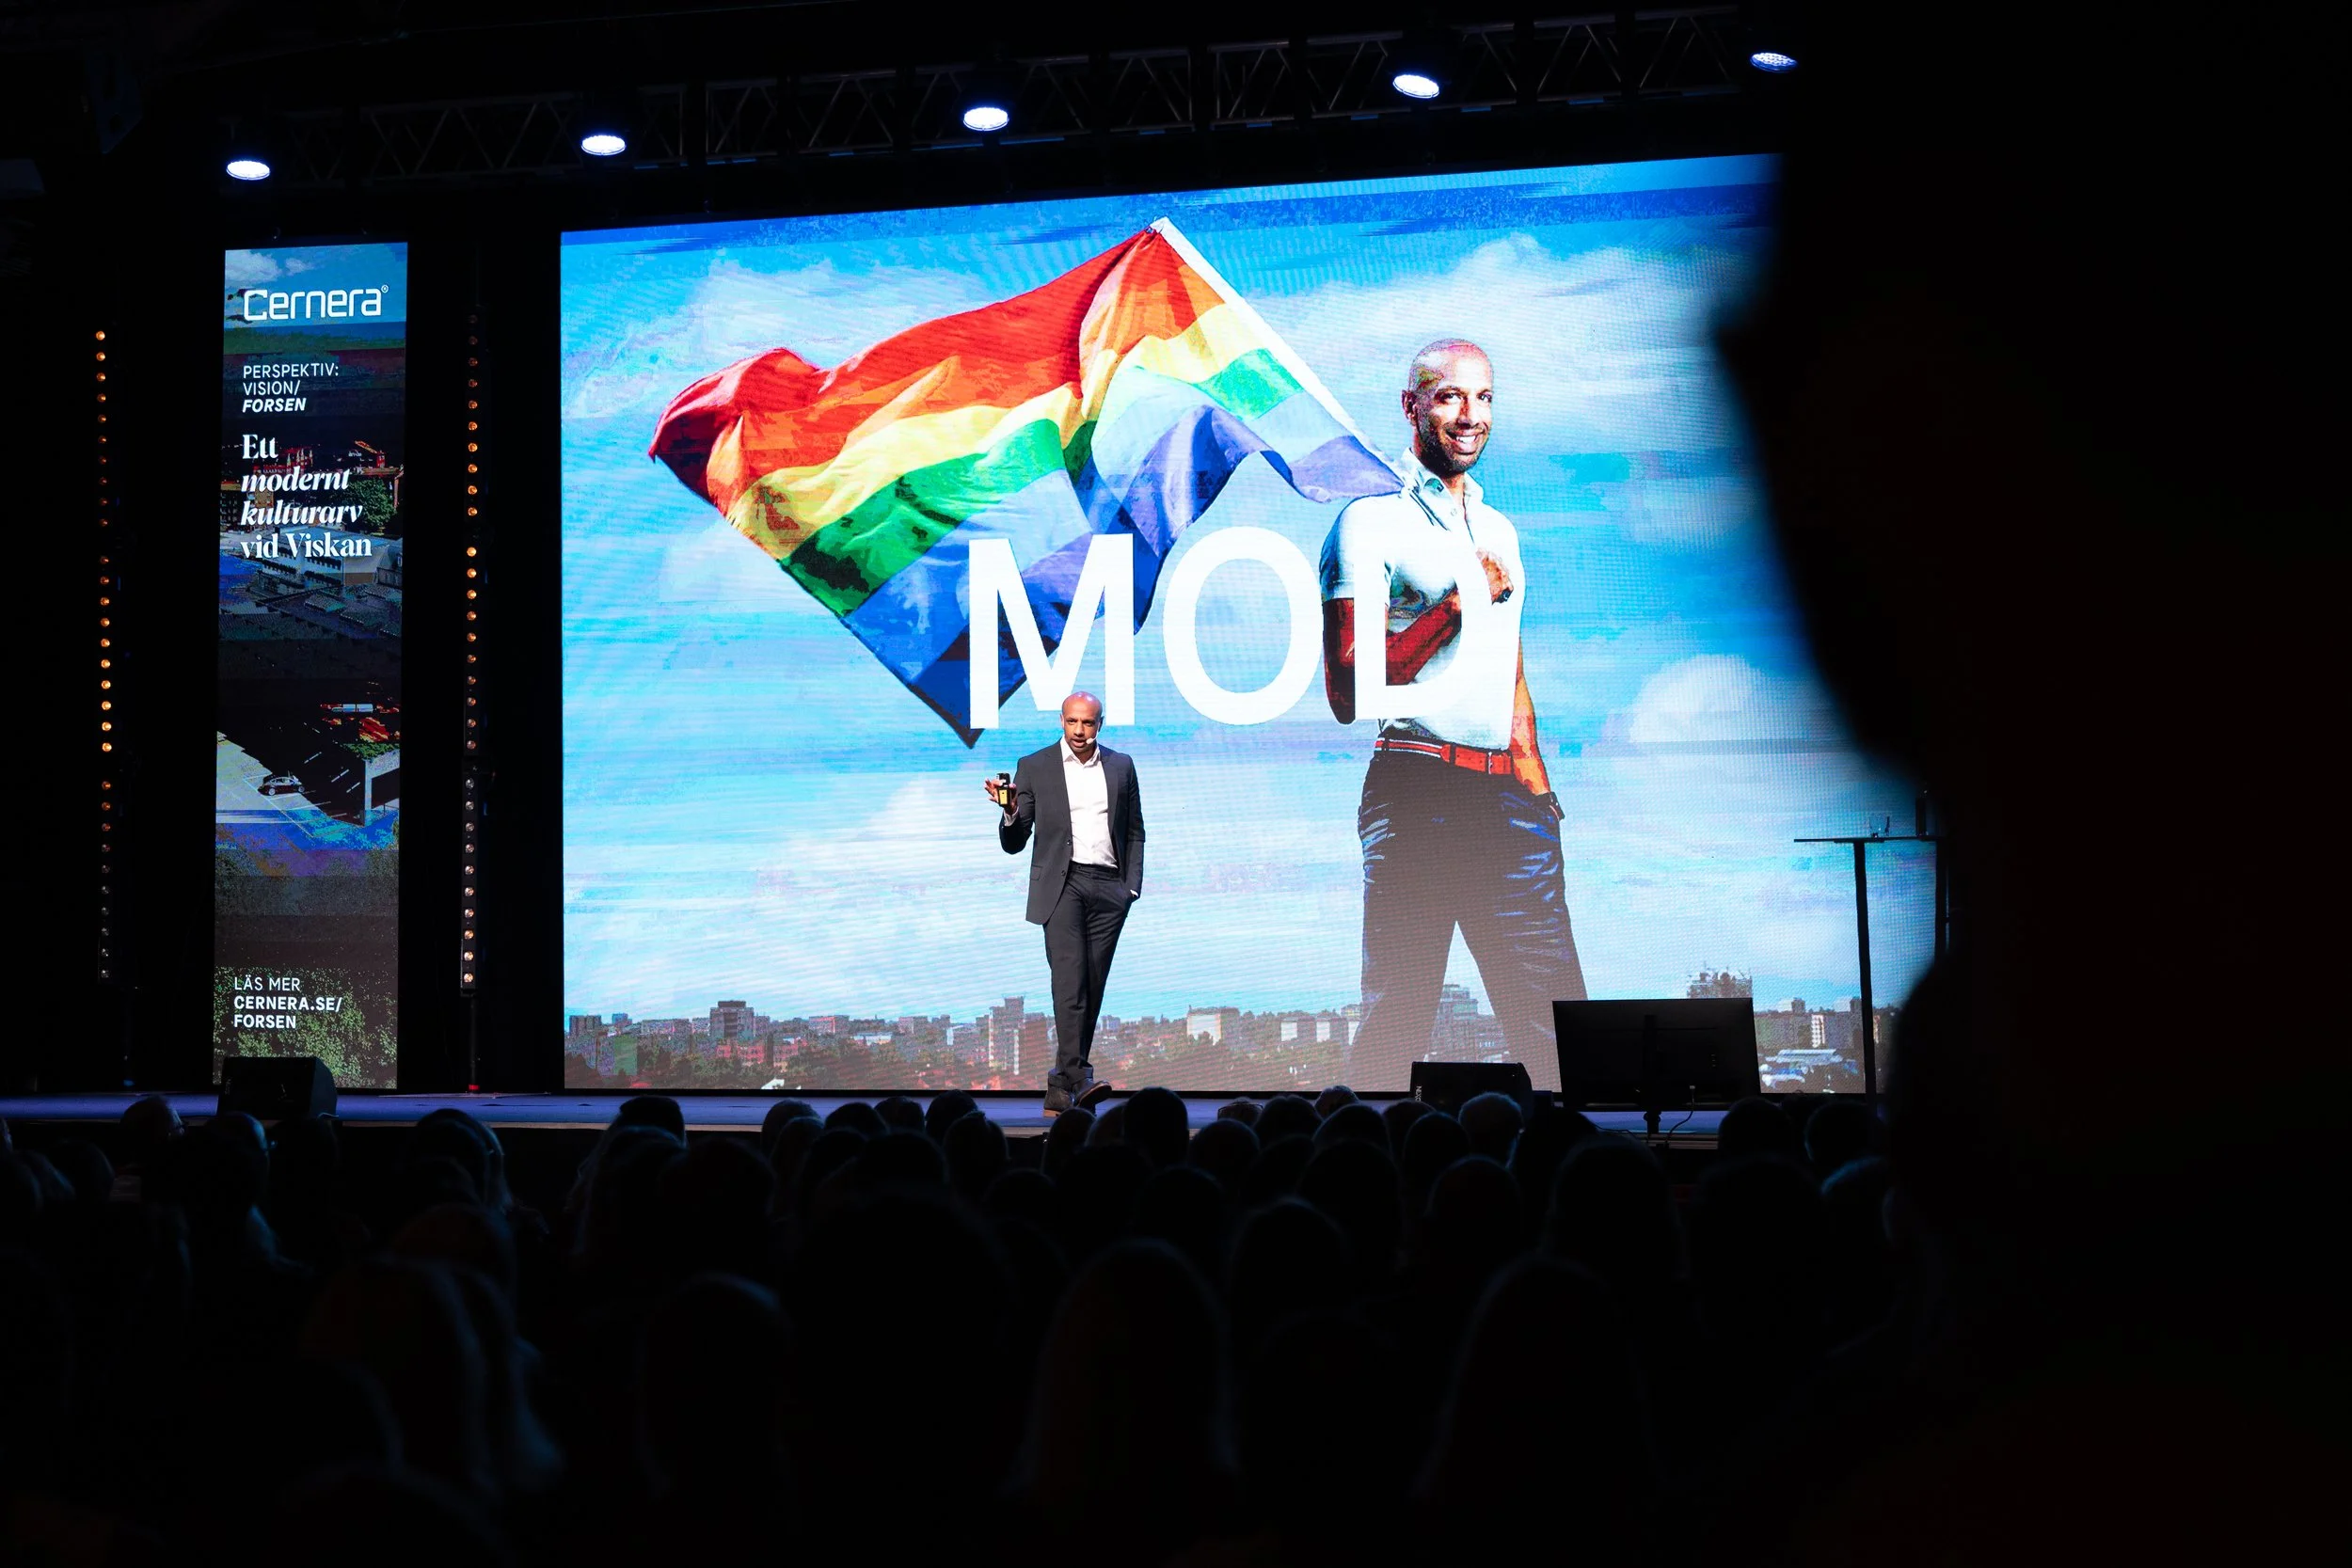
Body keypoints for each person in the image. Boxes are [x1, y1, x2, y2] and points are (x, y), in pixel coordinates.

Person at [1319, 340, 1587, 1087]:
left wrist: (1539, 791)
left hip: (1511, 799)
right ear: (1412, 406)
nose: (1472, 416)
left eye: (1486, 398)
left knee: (1557, 1023)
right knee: (1400, 1014)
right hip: (1418, 791)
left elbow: (1511, 670)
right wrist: (1454, 606)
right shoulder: (1368, 523)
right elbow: (1349, 689)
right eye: (1450, 397)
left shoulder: (1501, 530)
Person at [986, 691, 1145, 1114]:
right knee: (1069, 982)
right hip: (1063, 884)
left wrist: (1129, 888)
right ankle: (1081, 1077)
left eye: (1088, 723)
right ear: (1061, 721)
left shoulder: (1121, 766)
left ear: (1100, 724)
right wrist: (1010, 812)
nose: (1080, 731)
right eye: (1072, 722)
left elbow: (1134, 831)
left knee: (1091, 987)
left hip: (1110, 888)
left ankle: (1061, 1086)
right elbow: (1014, 842)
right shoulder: (1035, 767)